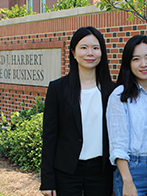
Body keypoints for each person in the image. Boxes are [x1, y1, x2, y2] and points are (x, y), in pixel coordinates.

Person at [40, 26, 115, 196]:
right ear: (73, 52)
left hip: (101, 172)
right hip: (66, 171)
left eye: (95, 48)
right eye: (84, 47)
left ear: (102, 52)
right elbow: (49, 136)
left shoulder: (112, 91)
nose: (90, 53)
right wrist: (47, 179)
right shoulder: (58, 88)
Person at [106, 35, 147, 196]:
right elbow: (117, 144)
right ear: (128, 63)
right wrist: (127, 181)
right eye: (136, 59)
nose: (143, 64)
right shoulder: (119, 96)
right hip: (132, 170)